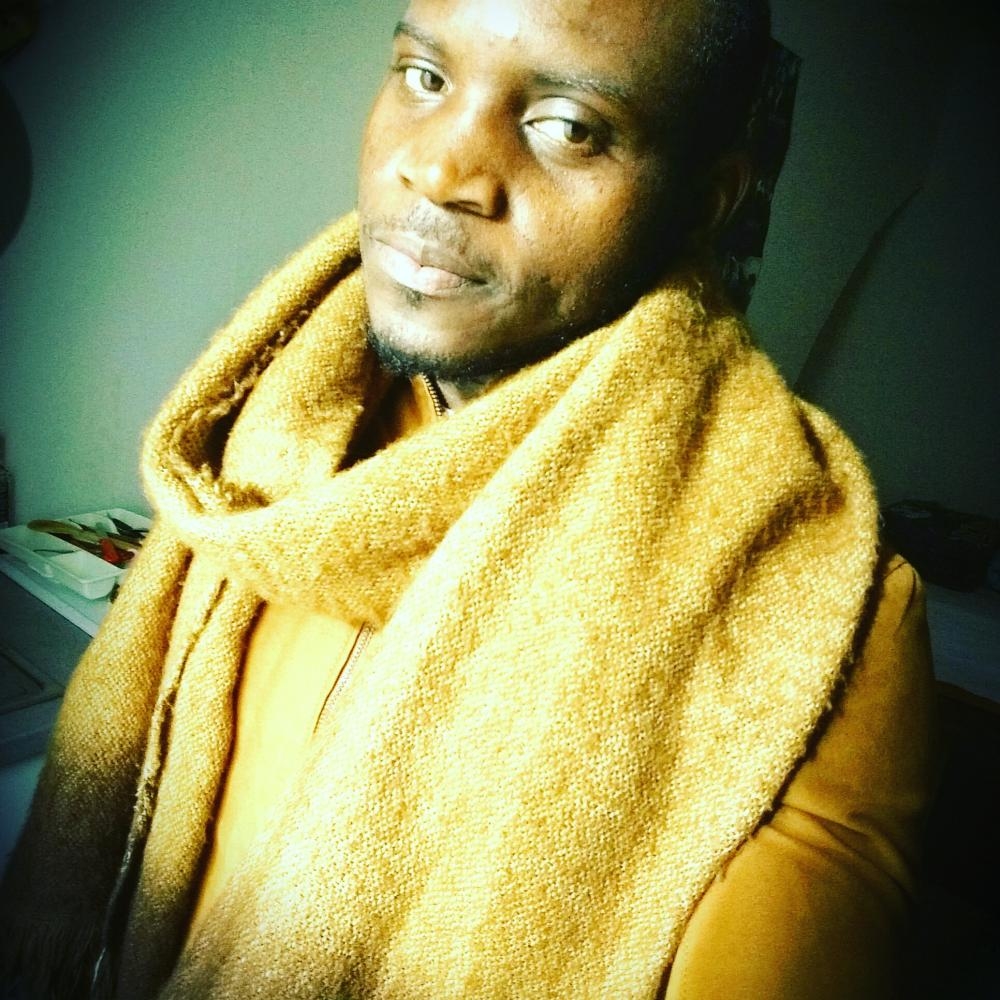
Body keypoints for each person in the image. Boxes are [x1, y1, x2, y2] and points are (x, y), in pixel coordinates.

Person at [1, 0, 937, 997]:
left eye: (568, 127)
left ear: (706, 201)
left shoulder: (813, 609)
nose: (440, 170)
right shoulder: (261, 424)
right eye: (426, 77)